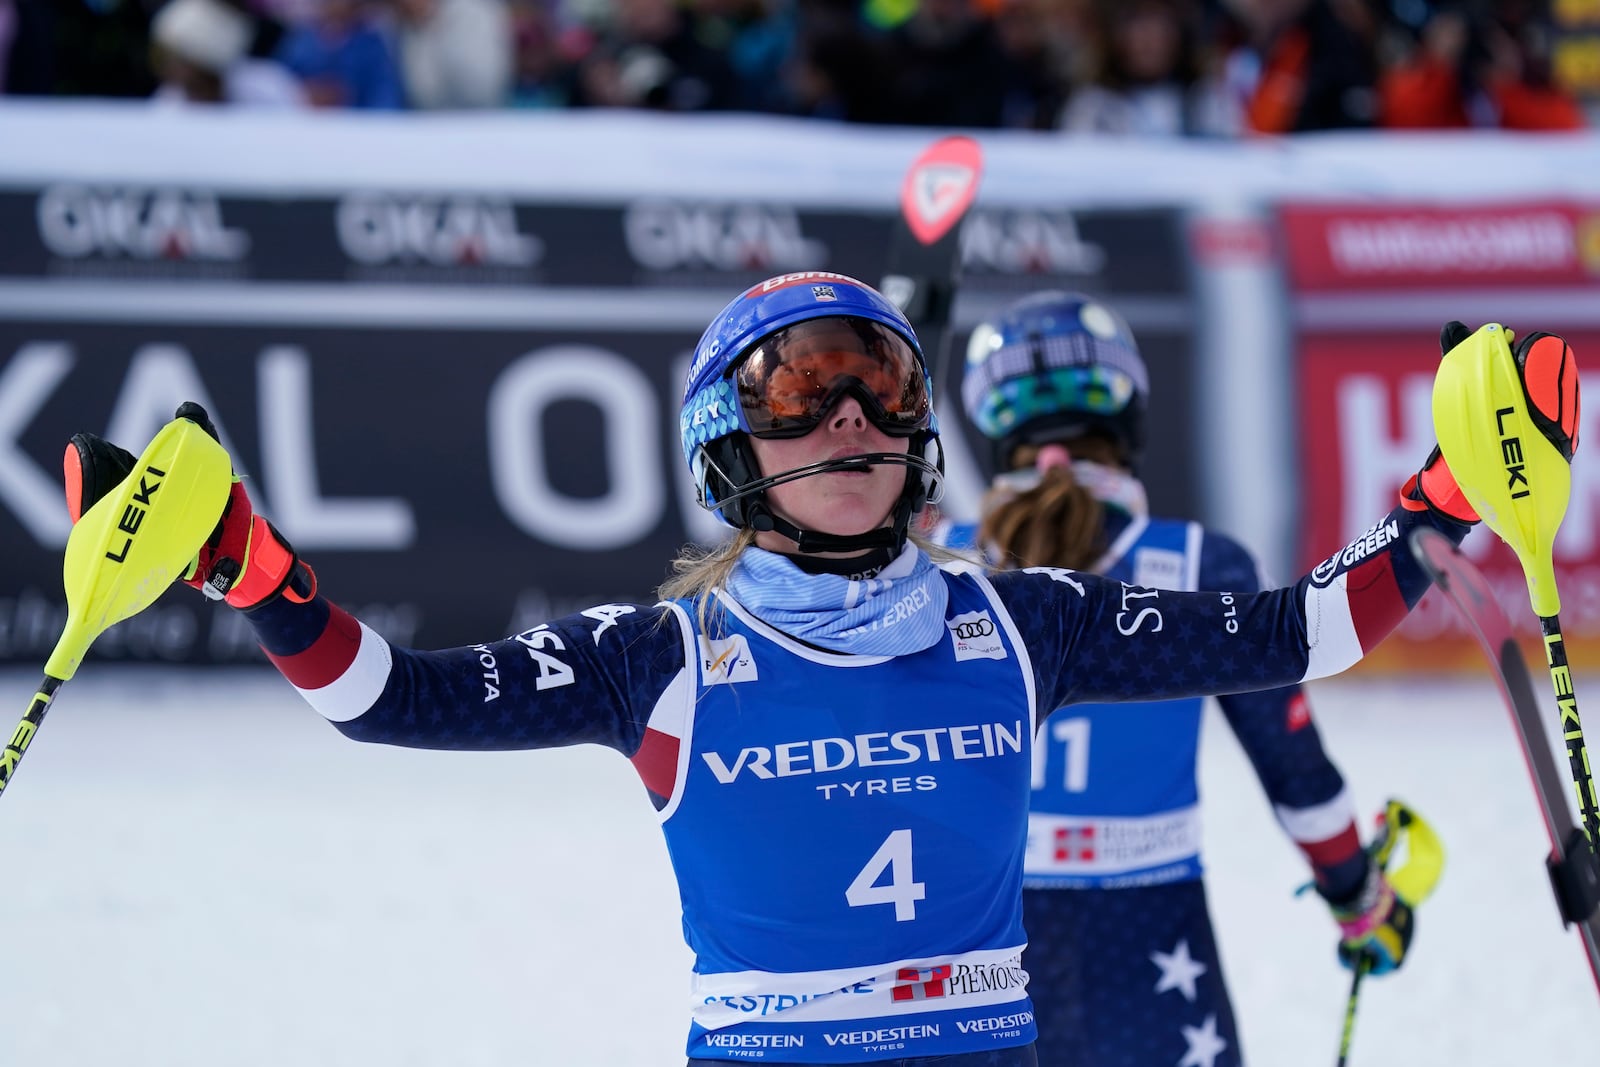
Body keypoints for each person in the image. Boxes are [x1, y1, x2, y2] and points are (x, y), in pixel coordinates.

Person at [63, 272, 1572, 1066]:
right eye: (800, 398)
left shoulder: (1017, 619)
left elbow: (1290, 634)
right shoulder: (660, 653)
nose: (849, 420)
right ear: (730, 452)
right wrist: (261, 575)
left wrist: (1437, 499)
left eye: (882, 387)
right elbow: (393, 697)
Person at [940, 290, 1382, 1066]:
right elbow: (1295, 770)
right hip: (1151, 932)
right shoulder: (1200, 562)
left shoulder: (934, 561)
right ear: (1128, 417)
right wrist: (1359, 896)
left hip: (978, 937)